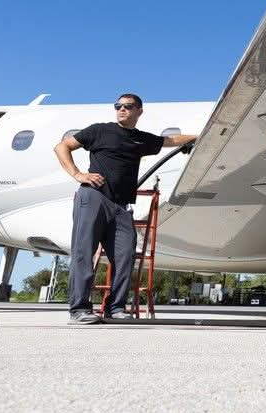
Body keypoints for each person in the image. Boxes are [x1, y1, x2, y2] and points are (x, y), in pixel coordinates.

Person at [53, 93, 196, 325]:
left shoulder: (140, 139)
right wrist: (78, 174)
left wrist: (199, 137)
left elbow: (169, 141)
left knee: (125, 254)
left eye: (128, 106)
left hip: (121, 206)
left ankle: (115, 308)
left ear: (139, 111)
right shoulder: (99, 131)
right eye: (118, 106)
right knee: (83, 253)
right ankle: (79, 309)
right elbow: (62, 147)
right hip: (94, 197)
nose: (121, 109)